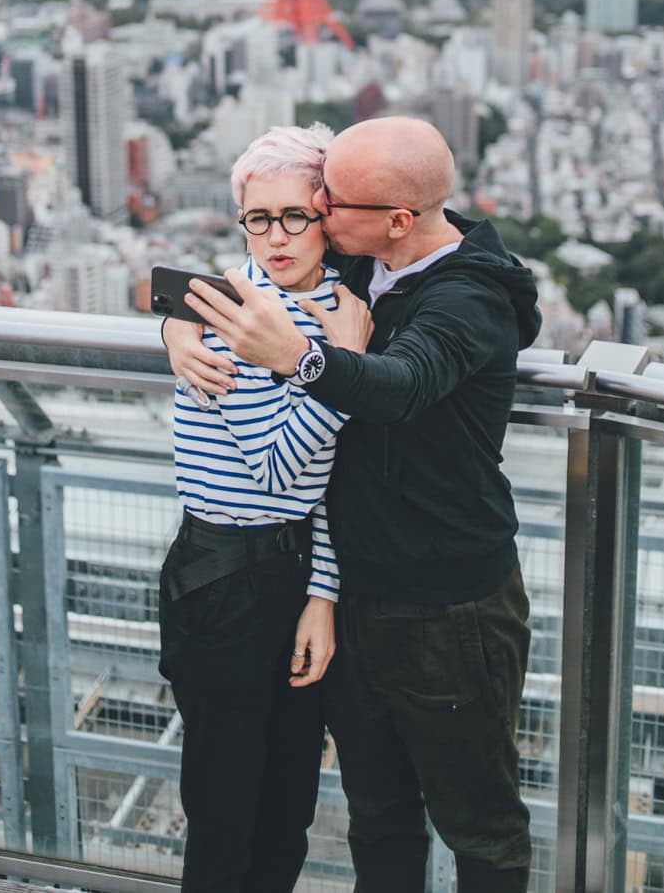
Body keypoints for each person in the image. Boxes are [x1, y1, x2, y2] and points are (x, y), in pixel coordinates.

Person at [168, 115, 541, 893]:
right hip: (326, 587)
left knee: (475, 825)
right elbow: (241, 263)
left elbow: (397, 388)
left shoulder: (454, 299)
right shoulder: (356, 270)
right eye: (318, 201)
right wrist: (177, 320)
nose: (316, 215)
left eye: (326, 206)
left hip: (446, 602)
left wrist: (307, 358)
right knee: (362, 813)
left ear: (395, 222)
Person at [158, 122, 372, 893]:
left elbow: (334, 488)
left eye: (295, 216)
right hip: (223, 578)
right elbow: (283, 473)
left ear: (326, 215)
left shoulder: (343, 300)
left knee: (288, 807)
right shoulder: (231, 312)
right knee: (224, 813)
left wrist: (324, 591)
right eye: (258, 218)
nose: (276, 237)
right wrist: (341, 370)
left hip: (293, 571)